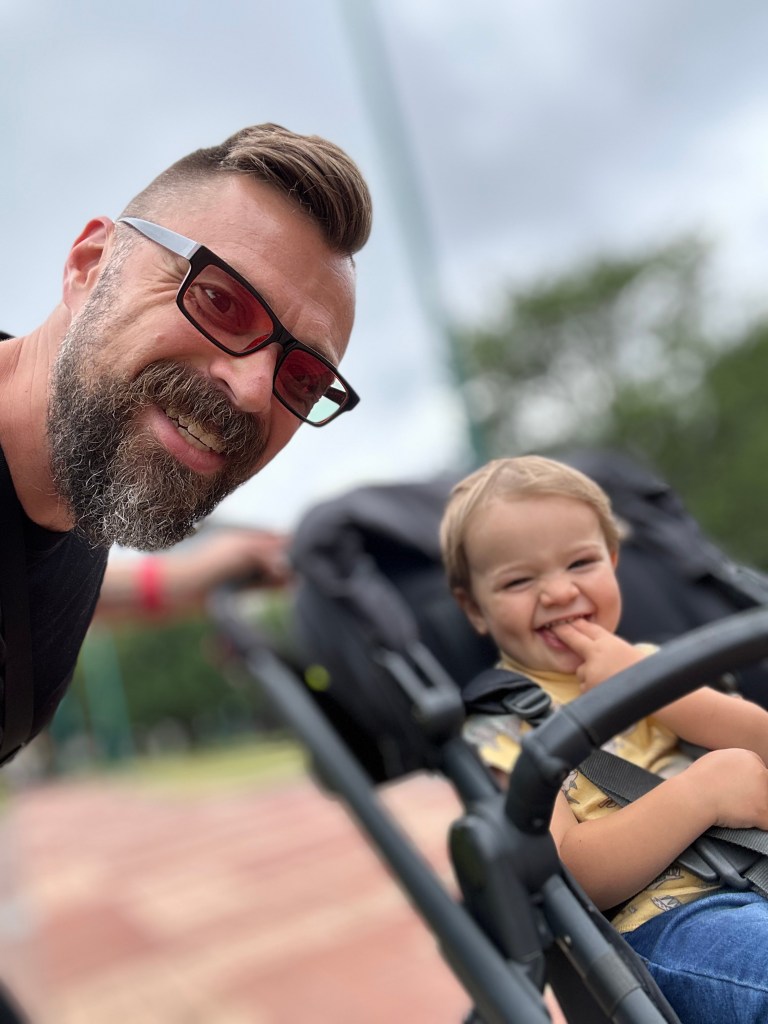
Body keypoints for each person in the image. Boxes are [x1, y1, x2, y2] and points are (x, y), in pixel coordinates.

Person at [0, 122, 372, 764]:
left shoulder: (72, 490)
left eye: (304, 378)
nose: (256, 389)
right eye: (219, 301)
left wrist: (189, 578)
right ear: (90, 266)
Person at [439, 454, 768, 1024]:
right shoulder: (501, 727)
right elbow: (567, 875)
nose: (559, 592)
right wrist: (701, 795)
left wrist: (653, 685)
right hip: (670, 928)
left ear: (613, 561)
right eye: (519, 580)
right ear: (474, 608)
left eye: (581, 562)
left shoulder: (661, 665)